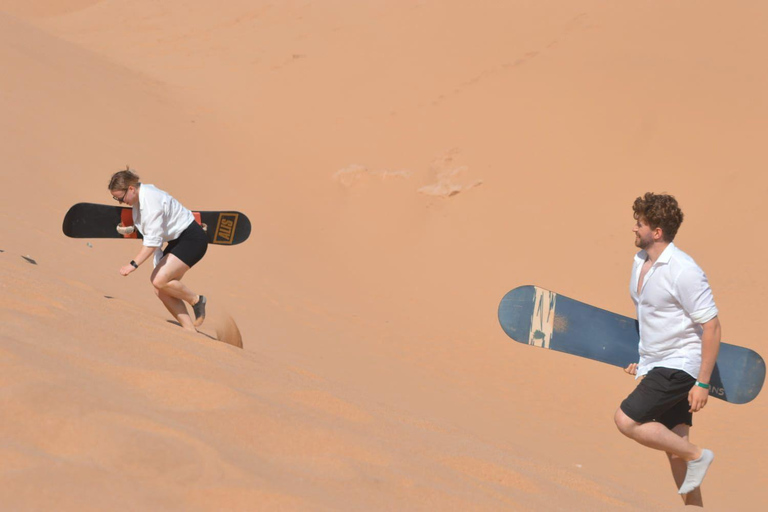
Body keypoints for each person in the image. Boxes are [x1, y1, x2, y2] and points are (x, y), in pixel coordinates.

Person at [614, 192, 721, 506]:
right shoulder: (640, 262)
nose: (635, 228)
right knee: (675, 451)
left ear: (656, 232)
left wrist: (702, 382)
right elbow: (653, 317)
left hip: (681, 364)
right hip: (657, 361)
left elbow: (712, 327)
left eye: (640, 223)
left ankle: (699, 455)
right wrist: (643, 361)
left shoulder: (684, 270)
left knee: (626, 420)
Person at [108, 168, 208, 331]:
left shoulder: (151, 201)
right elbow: (151, 230)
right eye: (116, 199)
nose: (120, 202)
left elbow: (153, 242)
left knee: (159, 280)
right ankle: (190, 330)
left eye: (120, 198)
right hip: (177, 240)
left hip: (192, 240)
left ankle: (196, 300)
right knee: (159, 288)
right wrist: (131, 229)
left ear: (131, 189)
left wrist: (133, 264)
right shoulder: (140, 199)